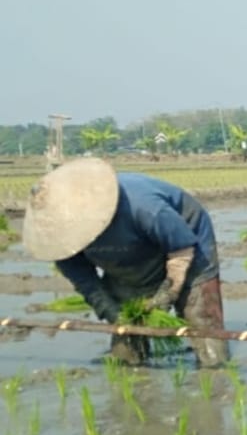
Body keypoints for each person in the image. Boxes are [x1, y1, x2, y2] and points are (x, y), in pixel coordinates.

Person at [21, 157, 230, 368]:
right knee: (126, 343)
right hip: (126, 259)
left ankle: (215, 366)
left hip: (186, 246)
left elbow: (182, 249)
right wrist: (110, 310)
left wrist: (170, 290)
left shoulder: (144, 206)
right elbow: (86, 281)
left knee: (201, 315)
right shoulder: (59, 238)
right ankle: (132, 365)